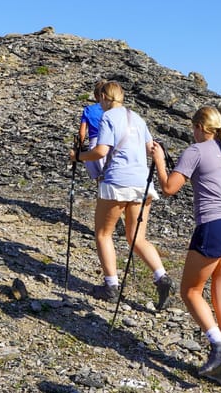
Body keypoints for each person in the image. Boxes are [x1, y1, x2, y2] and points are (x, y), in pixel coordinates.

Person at [152, 106, 221, 392]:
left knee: (190, 291)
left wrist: (159, 160)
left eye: (192, 127)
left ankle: (219, 347)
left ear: (199, 127)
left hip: (213, 225)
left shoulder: (196, 150)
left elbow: (169, 188)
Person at [69, 81, 173, 307]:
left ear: (105, 97)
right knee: (137, 237)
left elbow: (101, 151)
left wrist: (78, 156)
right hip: (141, 183)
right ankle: (161, 277)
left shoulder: (108, 117)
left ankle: (111, 286)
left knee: (103, 234)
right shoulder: (137, 117)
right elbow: (151, 148)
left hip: (117, 182)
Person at [78, 79, 107, 181]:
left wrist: (80, 146)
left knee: (99, 179)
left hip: (94, 145)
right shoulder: (110, 110)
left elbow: (82, 133)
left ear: (95, 96)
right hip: (109, 144)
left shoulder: (88, 110)